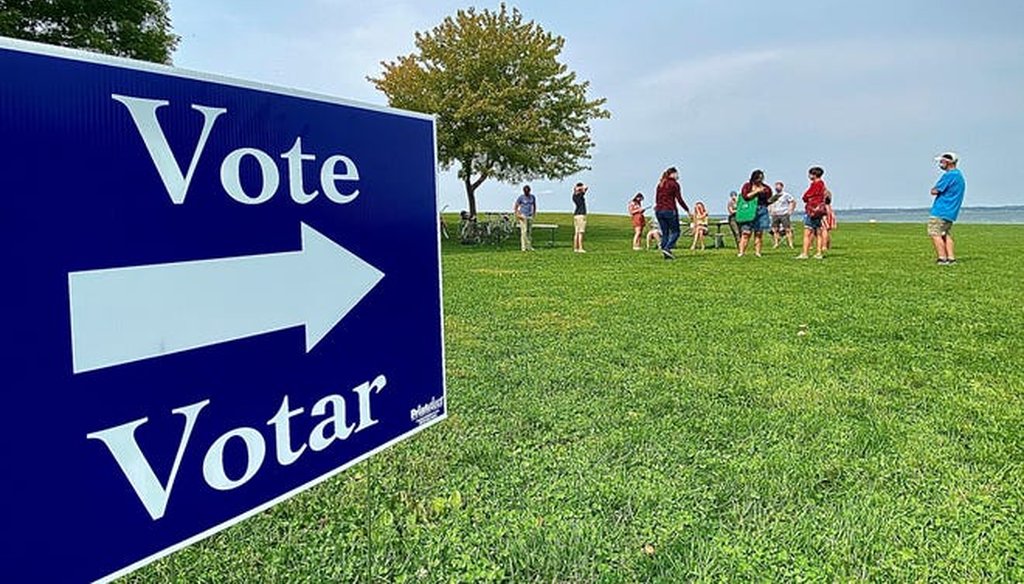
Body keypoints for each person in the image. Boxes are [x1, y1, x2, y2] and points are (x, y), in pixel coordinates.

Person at [929, 152, 966, 265]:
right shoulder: (959, 175)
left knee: (935, 233)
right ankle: (951, 258)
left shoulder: (949, 175)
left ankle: (942, 258)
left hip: (941, 210)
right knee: (945, 233)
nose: (940, 164)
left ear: (948, 162)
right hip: (951, 211)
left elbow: (935, 191)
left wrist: (934, 189)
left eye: (942, 161)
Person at [654, 166, 691, 260]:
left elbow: (657, 199)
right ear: (673, 174)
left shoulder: (661, 184)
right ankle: (667, 247)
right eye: (677, 173)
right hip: (669, 210)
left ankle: (665, 251)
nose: (678, 175)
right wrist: (687, 210)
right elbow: (679, 199)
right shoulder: (674, 184)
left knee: (665, 233)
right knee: (676, 232)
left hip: (659, 211)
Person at [737, 169, 775, 257]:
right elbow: (745, 196)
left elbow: (768, 199)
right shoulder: (747, 186)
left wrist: (773, 199)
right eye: (758, 178)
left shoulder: (766, 188)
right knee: (746, 232)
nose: (760, 180)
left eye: (761, 178)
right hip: (749, 210)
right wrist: (757, 191)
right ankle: (741, 252)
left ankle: (758, 252)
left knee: (759, 232)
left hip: (761, 209)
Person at [797, 166, 828, 259]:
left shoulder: (815, 184)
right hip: (819, 211)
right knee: (818, 232)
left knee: (807, 232)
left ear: (814, 175)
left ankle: (805, 253)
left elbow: (806, 196)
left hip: (812, 210)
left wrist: (806, 197)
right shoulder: (822, 184)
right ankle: (819, 253)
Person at [769, 181, 796, 249]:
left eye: (778, 186)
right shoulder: (773, 196)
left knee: (787, 229)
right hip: (775, 214)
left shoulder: (786, 195)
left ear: (782, 187)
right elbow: (770, 203)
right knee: (775, 229)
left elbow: (792, 201)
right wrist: (771, 210)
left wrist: (790, 210)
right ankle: (776, 243)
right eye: (776, 186)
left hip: (784, 214)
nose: (777, 188)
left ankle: (790, 244)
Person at [513, 185, 537, 251]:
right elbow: (516, 206)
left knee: (529, 232)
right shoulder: (521, 197)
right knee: (524, 231)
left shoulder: (532, 197)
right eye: (525, 191)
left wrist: (534, 214)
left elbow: (534, 205)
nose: (527, 192)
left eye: (528, 191)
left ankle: (529, 246)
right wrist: (517, 214)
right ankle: (523, 247)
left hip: (529, 215)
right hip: (523, 216)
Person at [572, 182, 588, 253]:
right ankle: (580, 248)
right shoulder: (580, 195)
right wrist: (580, 188)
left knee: (576, 233)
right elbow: (586, 188)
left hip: (576, 215)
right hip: (581, 215)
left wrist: (577, 189)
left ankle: (576, 248)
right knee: (581, 232)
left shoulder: (574, 196)